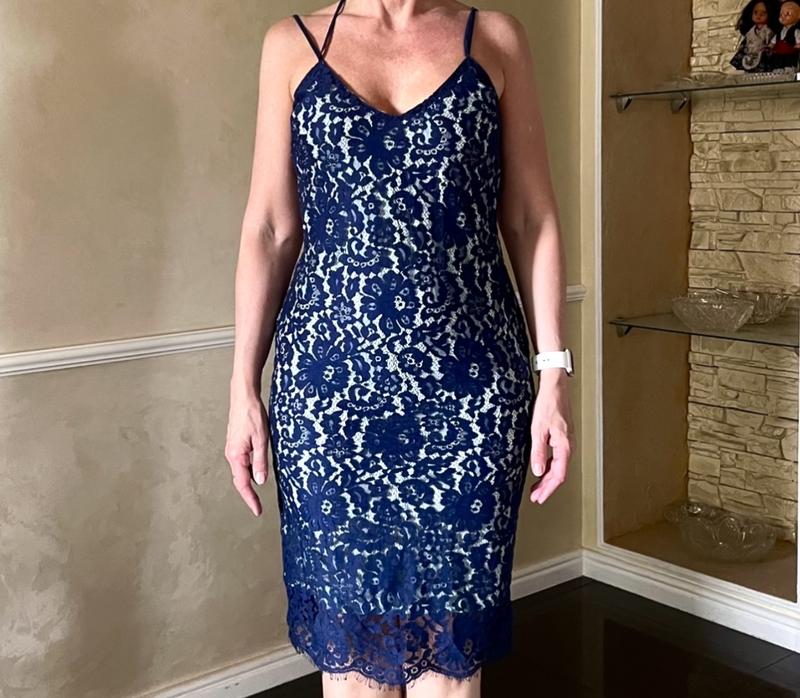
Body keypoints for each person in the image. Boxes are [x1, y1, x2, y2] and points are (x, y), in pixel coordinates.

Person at [226, 1, 574, 695]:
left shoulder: (495, 38)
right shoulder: (290, 45)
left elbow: (530, 217)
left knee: (452, 658)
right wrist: (242, 388)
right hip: (329, 397)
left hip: (472, 395)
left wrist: (553, 376)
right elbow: (270, 228)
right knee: (353, 662)